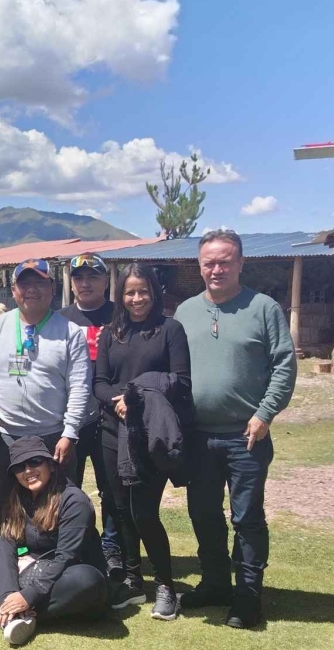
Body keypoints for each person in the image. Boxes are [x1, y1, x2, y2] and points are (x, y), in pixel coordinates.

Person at [173, 229, 297, 628]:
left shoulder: (263, 308)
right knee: (204, 513)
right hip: (198, 435)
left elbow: (284, 365)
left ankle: (247, 596)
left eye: (225, 261)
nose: (217, 269)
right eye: (209, 262)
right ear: (199, 265)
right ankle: (214, 583)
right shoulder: (186, 312)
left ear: (240, 263)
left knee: (246, 518)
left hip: (247, 435)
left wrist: (264, 414)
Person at [95, 264, 191, 621]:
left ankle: (165, 584)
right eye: (130, 292)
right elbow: (99, 382)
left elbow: (180, 381)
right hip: (111, 430)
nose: (137, 299)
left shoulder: (170, 330)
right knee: (118, 509)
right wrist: (118, 401)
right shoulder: (111, 333)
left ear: (155, 292)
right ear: (120, 295)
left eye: (143, 291)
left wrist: (134, 395)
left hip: (148, 432)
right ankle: (134, 579)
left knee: (143, 511)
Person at [0, 258, 93, 529]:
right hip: (5, 437)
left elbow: (80, 385)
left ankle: (53, 566)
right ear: (13, 290)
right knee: (6, 506)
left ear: (52, 288)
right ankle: (10, 565)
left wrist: (70, 433)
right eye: (25, 283)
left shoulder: (70, 333)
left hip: (54, 439)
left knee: (56, 508)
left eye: (40, 283)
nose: (32, 290)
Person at [0, 436, 110, 646]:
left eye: (34, 462)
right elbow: (9, 546)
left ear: (50, 465)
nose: (27, 471)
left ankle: (10, 612)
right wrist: (10, 593)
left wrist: (28, 595)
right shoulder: (18, 498)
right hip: (34, 572)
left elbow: (67, 557)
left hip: (68, 580)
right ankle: (9, 610)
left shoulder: (74, 501)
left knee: (88, 578)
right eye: (19, 467)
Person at [62, 252, 124, 578]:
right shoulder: (60, 318)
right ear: (72, 283)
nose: (85, 283)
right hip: (71, 418)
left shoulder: (120, 316)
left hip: (111, 417)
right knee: (68, 487)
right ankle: (79, 544)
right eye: (79, 278)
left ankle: (112, 549)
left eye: (93, 277)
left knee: (111, 487)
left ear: (105, 280)